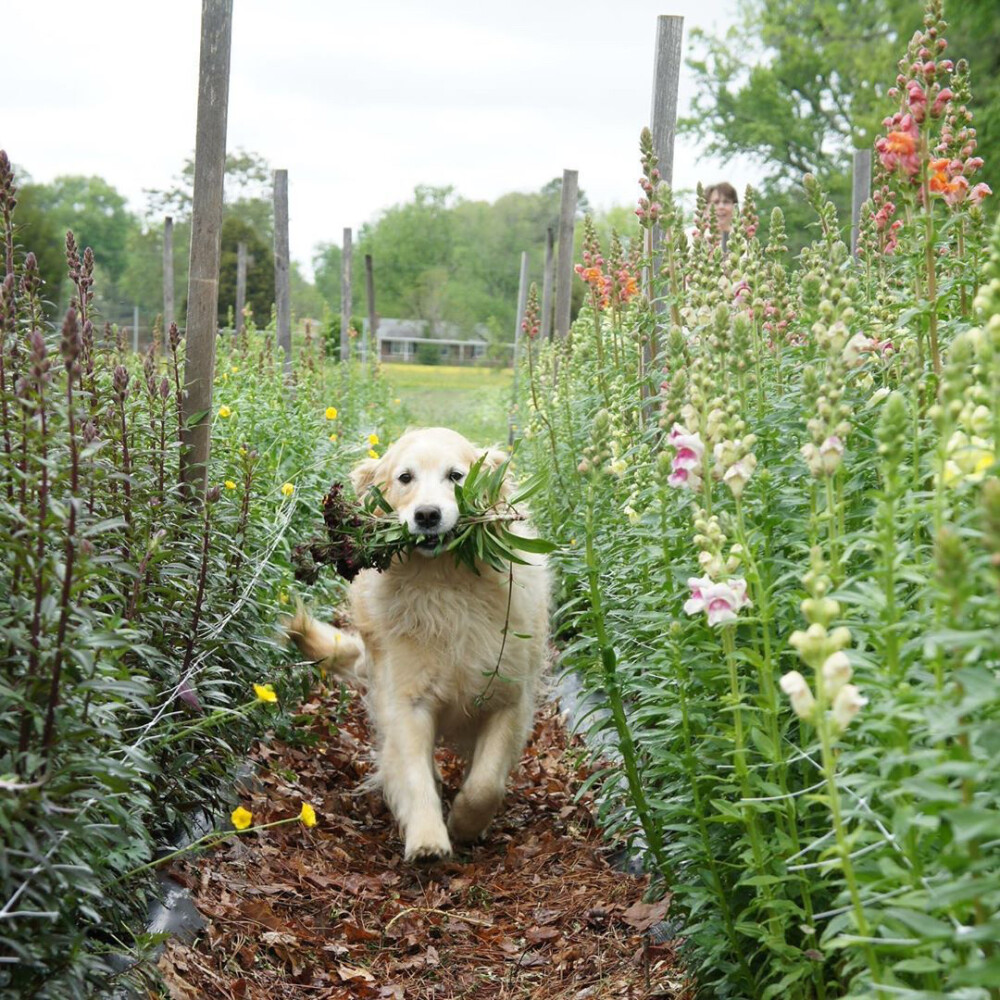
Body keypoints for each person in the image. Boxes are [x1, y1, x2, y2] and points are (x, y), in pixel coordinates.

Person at [704, 182, 738, 248]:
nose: (721, 207)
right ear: (705, 208)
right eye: (716, 202)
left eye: (726, 202)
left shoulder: (743, 240)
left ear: (734, 206)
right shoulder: (691, 237)